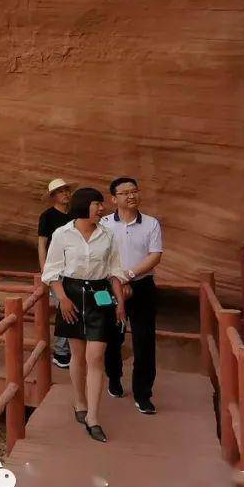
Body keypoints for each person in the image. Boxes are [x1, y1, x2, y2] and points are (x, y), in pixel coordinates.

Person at [41, 187, 127, 443]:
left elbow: (114, 271)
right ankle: (79, 402)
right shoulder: (62, 234)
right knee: (77, 355)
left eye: (101, 204)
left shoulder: (108, 235)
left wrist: (120, 303)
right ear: (83, 206)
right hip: (72, 295)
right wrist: (62, 299)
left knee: (96, 356)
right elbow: (52, 271)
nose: (101, 209)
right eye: (96, 204)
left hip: (100, 295)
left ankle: (93, 417)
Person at [101, 177, 164, 415]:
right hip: (108, 288)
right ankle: (114, 378)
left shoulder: (151, 224)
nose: (131, 196)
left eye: (135, 191)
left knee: (144, 340)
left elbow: (155, 255)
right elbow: (100, 256)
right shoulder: (104, 224)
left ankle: (143, 394)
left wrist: (128, 276)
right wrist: (117, 281)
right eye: (125, 192)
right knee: (110, 336)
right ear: (113, 198)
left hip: (142, 287)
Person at [38, 178, 73, 368]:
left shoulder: (75, 215)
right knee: (62, 308)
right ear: (53, 197)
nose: (66, 194)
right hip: (57, 269)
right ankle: (61, 352)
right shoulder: (47, 216)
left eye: (67, 190)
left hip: (74, 268)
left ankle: (70, 349)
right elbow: (42, 244)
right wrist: (45, 270)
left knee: (73, 307)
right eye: (61, 191)